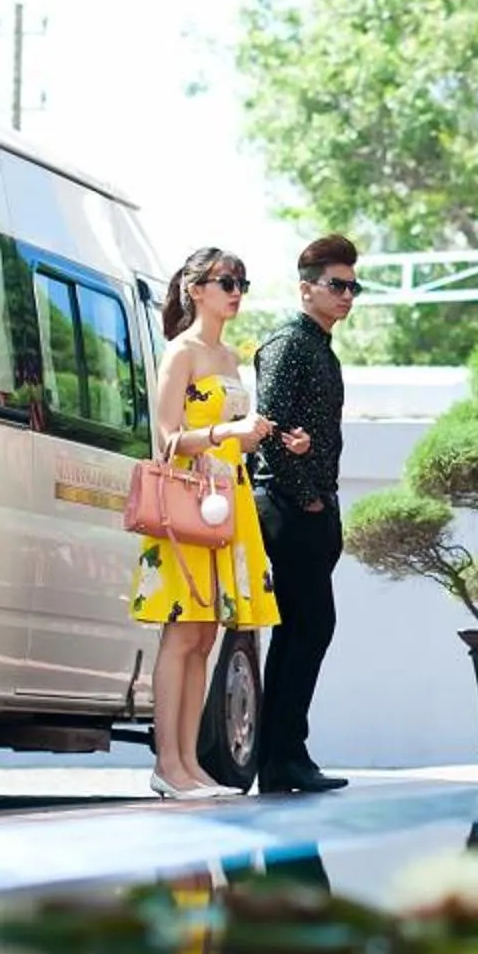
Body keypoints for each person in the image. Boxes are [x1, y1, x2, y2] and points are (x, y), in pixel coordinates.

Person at [132, 245, 305, 797]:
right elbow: (164, 438)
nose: (235, 292)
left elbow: (233, 431)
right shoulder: (180, 353)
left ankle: (189, 765)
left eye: (241, 282)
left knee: (206, 637)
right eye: (225, 281)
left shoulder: (231, 359)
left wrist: (270, 435)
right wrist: (225, 435)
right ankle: (168, 763)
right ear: (196, 289)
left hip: (227, 500)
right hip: (188, 504)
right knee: (181, 634)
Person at [249, 234, 357, 795]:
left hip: (314, 507)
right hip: (290, 508)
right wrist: (305, 495)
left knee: (303, 629)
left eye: (352, 286)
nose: (347, 296)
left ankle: (284, 755)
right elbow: (266, 428)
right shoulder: (289, 345)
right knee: (309, 626)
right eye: (336, 285)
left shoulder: (320, 346)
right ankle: (283, 755)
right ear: (306, 288)